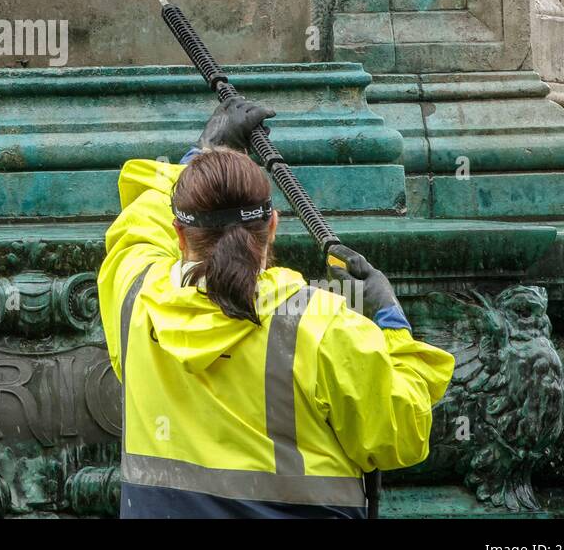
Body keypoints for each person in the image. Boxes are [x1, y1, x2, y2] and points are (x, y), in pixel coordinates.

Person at [98, 96, 455, 518]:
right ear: (272, 225)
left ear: (179, 233)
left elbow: (139, 227)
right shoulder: (320, 326)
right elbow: (400, 434)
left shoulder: (137, 298)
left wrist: (202, 153)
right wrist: (391, 320)